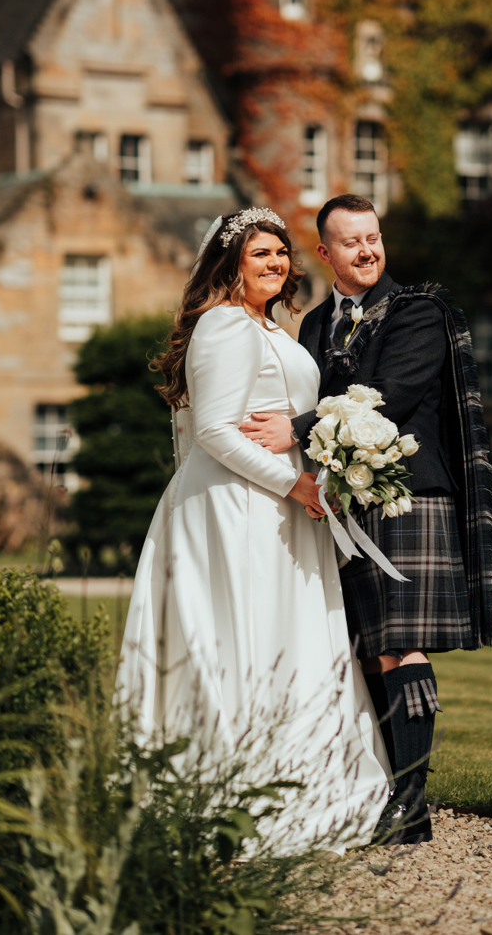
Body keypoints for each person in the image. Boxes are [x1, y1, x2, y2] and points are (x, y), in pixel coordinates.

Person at [116, 207, 391, 855]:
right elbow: (213, 431)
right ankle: (232, 790)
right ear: (230, 264)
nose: (274, 263)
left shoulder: (271, 328)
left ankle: (301, 781)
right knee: (243, 634)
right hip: (237, 509)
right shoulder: (220, 325)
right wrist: (296, 484)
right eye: (259, 254)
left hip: (281, 509)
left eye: (280, 254)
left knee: (288, 634)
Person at [240, 194, 492, 845]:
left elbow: (387, 398)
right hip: (345, 501)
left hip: (410, 495)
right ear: (325, 254)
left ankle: (410, 803)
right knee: (363, 651)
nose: (367, 250)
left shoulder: (419, 313)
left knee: (399, 643)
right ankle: (392, 794)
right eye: (351, 241)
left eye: (374, 237)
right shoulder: (315, 324)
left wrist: (297, 428)